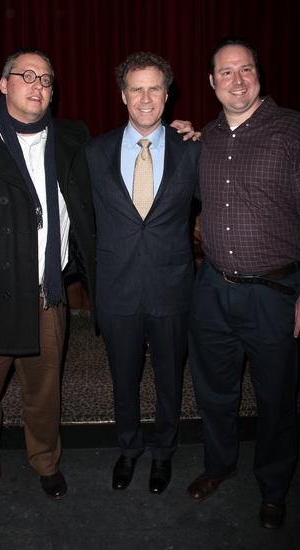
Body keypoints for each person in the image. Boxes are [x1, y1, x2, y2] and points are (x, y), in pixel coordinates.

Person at [186, 36, 300, 530]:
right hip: (212, 288)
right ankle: (219, 466)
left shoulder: (294, 131)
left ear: (258, 76)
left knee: (276, 398)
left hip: (275, 294)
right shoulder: (204, 139)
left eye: (245, 69)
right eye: (226, 72)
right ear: (212, 82)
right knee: (213, 392)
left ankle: (274, 487)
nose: (237, 79)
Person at [0, 47, 97, 529]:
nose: (38, 85)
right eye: (26, 75)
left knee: (43, 393)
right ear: (3, 84)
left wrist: (179, 135)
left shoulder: (73, 139)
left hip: (46, 297)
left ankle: (45, 463)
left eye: (47, 79)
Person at [85, 52, 201, 495]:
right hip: (116, 289)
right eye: (137, 88)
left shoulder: (193, 149)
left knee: (170, 379)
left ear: (167, 95)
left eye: (155, 88)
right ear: (123, 96)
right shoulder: (96, 151)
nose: (146, 97)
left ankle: (163, 453)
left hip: (172, 288)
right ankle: (129, 450)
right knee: (123, 378)